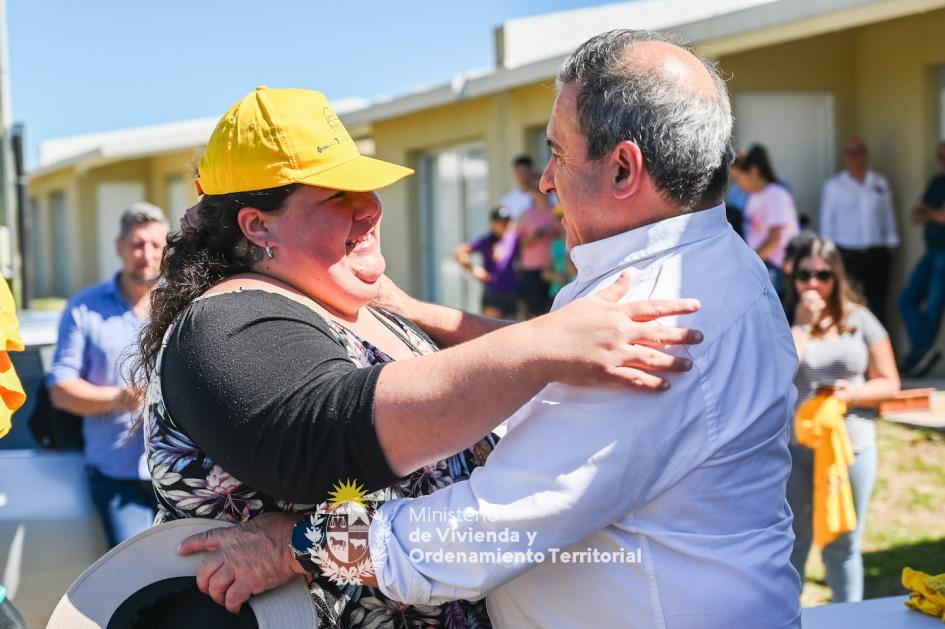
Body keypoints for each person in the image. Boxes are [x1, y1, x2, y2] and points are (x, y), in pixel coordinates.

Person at [181, 31, 803, 628]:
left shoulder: (656, 318)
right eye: (333, 196)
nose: (545, 181)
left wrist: (296, 546)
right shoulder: (689, 268)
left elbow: (482, 534)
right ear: (255, 226)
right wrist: (422, 314)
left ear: (622, 170)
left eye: (558, 153)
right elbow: (544, 356)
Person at [785, 236, 900, 602]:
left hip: (852, 447)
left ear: (836, 276)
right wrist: (802, 325)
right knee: (793, 545)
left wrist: (852, 394)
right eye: (805, 274)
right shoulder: (784, 319)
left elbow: (890, 382)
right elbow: (778, 372)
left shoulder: (860, 319)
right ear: (794, 277)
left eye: (823, 274)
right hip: (798, 449)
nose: (814, 283)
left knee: (843, 544)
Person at [47, 203, 167, 547]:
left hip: (180, 475)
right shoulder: (85, 308)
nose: (146, 254)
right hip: (118, 478)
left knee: (186, 589)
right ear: (119, 248)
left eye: (155, 245)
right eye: (137, 244)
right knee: (135, 587)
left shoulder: (181, 302)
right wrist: (118, 399)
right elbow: (60, 388)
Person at [819, 138, 899, 325]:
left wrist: (891, 242)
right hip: (847, 253)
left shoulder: (879, 182)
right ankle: (852, 349)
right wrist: (827, 255)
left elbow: (888, 213)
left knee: (878, 303)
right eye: (850, 153)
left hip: (876, 251)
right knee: (847, 302)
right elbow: (826, 221)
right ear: (844, 158)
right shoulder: (834, 186)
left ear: (866, 156)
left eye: (858, 152)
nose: (854, 157)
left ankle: (879, 349)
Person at [897, 141, 945, 376]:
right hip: (931, 251)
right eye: (940, 158)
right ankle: (923, 350)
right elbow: (916, 215)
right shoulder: (937, 182)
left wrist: (930, 213)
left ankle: (918, 354)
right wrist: (932, 214)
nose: (942, 163)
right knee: (906, 300)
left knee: (934, 306)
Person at [730, 144, 801, 297]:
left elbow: (775, 238)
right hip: (762, 263)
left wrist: (750, 261)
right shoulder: (753, 196)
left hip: (775, 266)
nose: (738, 184)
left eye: (739, 178)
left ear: (753, 171)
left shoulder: (776, 194)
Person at [453, 206, 520, 319]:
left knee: (512, 330)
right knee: (492, 328)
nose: (505, 224)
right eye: (501, 222)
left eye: (507, 221)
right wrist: (473, 269)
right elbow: (459, 251)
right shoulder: (486, 241)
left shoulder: (515, 239)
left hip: (513, 291)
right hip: (493, 291)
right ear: (493, 224)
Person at [516, 174, 561, 317]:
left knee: (557, 312)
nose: (540, 192)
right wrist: (536, 236)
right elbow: (518, 243)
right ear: (530, 191)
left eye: (541, 187)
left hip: (557, 268)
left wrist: (555, 232)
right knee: (535, 314)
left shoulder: (558, 211)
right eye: (535, 188)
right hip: (533, 269)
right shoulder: (526, 214)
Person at [500, 155, 537, 220]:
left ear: (532, 172)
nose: (523, 177)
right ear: (515, 174)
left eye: (526, 173)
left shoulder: (545, 197)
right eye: (520, 173)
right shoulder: (507, 201)